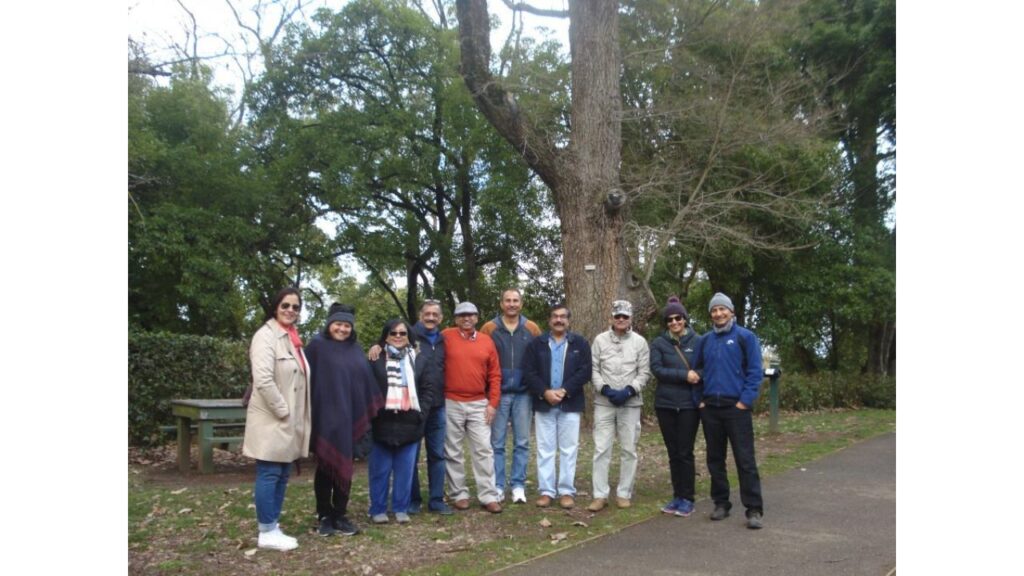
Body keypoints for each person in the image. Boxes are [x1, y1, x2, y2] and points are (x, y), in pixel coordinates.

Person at [242, 287, 312, 551]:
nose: (291, 311)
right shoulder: (266, 336)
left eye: (295, 307)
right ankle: (266, 531)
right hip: (273, 418)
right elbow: (263, 379)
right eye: (286, 305)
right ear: (275, 307)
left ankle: (273, 525)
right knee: (270, 472)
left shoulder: (292, 338)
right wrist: (284, 411)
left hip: (287, 420)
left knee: (282, 473)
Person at [305, 303, 384, 537]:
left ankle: (340, 514)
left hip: (349, 418)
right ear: (330, 325)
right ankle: (324, 515)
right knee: (325, 467)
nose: (342, 329)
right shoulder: (317, 347)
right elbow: (301, 377)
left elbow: (364, 382)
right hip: (325, 418)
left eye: (347, 325)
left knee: (345, 467)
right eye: (338, 324)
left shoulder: (355, 349)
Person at [690, 292, 766, 529]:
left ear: (731, 311)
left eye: (722, 309)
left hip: (736, 408)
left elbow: (755, 371)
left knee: (745, 460)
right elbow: (696, 373)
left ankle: (753, 509)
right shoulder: (705, 340)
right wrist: (699, 401)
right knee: (715, 459)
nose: (718, 314)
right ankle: (721, 503)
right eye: (714, 310)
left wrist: (745, 401)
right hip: (711, 408)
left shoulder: (745, 337)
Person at [368, 300, 451, 515]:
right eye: (427, 313)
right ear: (420, 316)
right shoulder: (399, 344)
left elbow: (427, 385)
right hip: (402, 415)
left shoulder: (446, 339)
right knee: (409, 460)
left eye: (435, 314)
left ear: (441, 318)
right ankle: (411, 501)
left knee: (437, 455)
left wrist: (421, 410)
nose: (398, 336)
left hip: (434, 406)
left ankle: (436, 500)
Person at [522, 304, 591, 509]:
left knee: (569, 449)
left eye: (563, 316)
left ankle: (566, 491)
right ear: (549, 320)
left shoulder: (580, 343)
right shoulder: (538, 344)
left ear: (569, 320)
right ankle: (546, 491)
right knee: (545, 449)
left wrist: (564, 390)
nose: (559, 320)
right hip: (544, 403)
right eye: (555, 316)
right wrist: (545, 392)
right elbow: (529, 372)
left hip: (570, 403)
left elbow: (585, 371)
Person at [479, 288, 542, 504]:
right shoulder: (489, 328)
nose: (512, 304)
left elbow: (540, 358)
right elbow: (481, 358)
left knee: (522, 442)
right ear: (501, 303)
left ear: (521, 304)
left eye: (515, 300)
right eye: (508, 300)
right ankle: (497, 486)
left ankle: (518, 485)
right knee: (496, 443)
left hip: (524, 394)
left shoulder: (531, 328)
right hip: (498, 394)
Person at [588, 300, 651, 512]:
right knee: (601, 448)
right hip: (604, 402)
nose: (621, 320)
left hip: (630, 403)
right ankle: (599, 495)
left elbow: (644, 373)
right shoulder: (600, 340)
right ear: (612, 318)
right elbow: (593, 369)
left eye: (625, 316)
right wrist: (604, 389)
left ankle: (624, 493)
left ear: (631, 318)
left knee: (628, 449)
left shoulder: (640, 342)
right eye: (618, 316)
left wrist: (629, 390)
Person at [442, 301, 503, 513]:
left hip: (479, 402)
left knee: (484, 450)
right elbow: (415, 338)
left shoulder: (487, 341)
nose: (466, 318)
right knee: (453, 451)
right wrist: (379, 343)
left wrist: (493, 403)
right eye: (462, 315)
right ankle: (459, 493)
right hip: (451, 401)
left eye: (471, 315)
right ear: (456, 318)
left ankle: (488, 495)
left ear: (477, 318)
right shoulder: (446, 336)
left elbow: (495, 375)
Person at [649, 296, 702, 518]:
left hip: (689, 404)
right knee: (673, 452)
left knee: (685, 451)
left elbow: (704, 369)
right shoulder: (659, 343)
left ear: (685, 319)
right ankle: (677, 495)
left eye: (678, 318)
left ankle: (688, 497)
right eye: (669, 319)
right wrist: (684, 375)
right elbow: (657, 369)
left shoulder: (699, 341)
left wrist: (695, 376)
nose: (674, 322)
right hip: (666, 404)